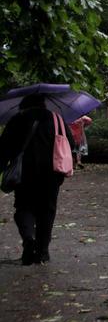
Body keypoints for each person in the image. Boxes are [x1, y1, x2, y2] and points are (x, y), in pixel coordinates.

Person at [0, 94, 75, 265]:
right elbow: (70, 143)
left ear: (24, 104)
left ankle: (28, 239)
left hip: (24, 173)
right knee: (47, 211)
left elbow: (4, 147)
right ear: (44, 104)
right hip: (52, 173)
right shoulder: (57, 119)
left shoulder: (17, 119)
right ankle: (42, 252)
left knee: (23, 207)